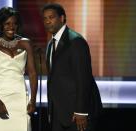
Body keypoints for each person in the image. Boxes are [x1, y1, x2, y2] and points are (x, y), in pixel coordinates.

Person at [42, 3, 102, 131]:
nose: (47, 21)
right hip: (58, 112)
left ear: (62, 18)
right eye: (45, 19)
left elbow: (83, 78)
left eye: (51, 17)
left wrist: (81, 111)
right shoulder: (50, 45)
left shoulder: (75, 41)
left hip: (76, 114)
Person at [0, 7, 37, 131]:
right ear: (0, 24)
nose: (11, 27)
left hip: (19, 98)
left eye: (15, 23)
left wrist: (32, 101)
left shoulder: (25, 43)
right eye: (7, 23)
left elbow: (33, 74)